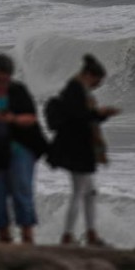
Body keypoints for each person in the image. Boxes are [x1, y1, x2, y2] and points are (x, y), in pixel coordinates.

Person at [0, 54, 48, 244]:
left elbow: (31, 118)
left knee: (22, 190)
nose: (2, 78)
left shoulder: (19, 91)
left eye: (5, 74)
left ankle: (27, 235)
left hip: (19, 148)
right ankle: (3, 236)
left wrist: (12, 119)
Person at [48, 54, 120, 246]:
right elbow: (80, 118)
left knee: (88, 193)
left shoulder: (77, 90)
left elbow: (84, 116)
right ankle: (69, 235)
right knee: (80, 193)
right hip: (77, 150)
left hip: (78, 148)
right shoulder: (75, 90)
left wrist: (100, 115)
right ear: (88, 75)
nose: (97, 86)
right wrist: (99, 113)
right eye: (97, 81)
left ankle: (89, 234)